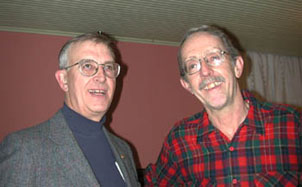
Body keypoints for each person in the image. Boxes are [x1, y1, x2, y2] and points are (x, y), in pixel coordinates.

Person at [144, 25, 301, 186]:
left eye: (214, 57)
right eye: (193, 66)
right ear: (187, 85)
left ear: (237, 67)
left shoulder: (292, 124)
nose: (205, 71)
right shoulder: (179, 141)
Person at [0, 32, 140, 186]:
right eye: (87, 66)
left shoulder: (124, 149)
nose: (102, 76)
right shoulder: (25, 148)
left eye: (108, 67)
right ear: (63, 80)